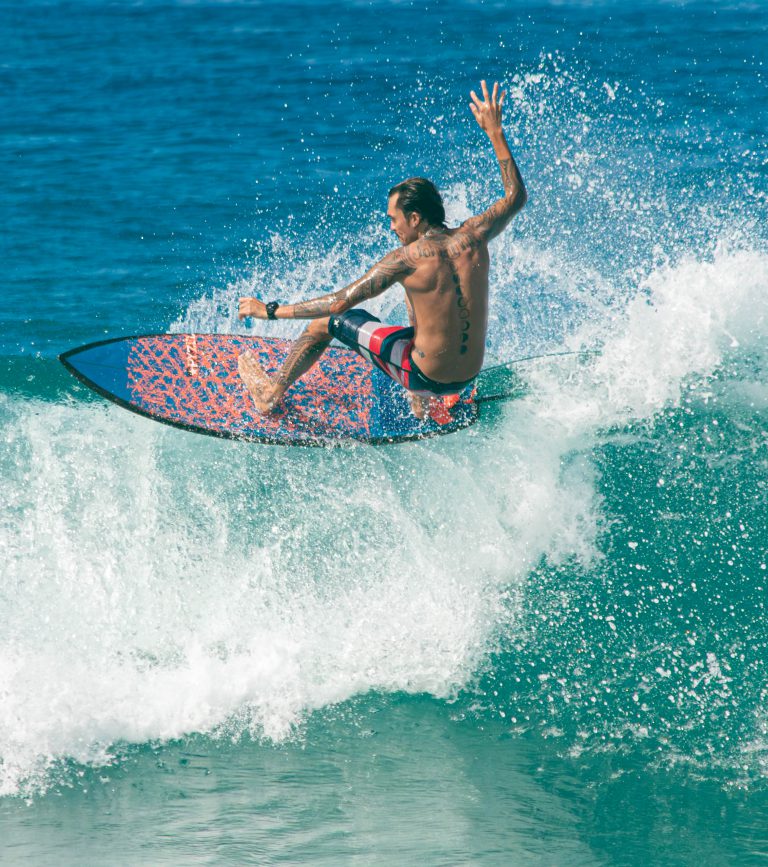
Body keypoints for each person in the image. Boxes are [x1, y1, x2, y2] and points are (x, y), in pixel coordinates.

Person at [237, 79, 527, 417]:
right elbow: (515, 196)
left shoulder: (406, 259)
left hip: (423, 376)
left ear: (415, 218)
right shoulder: (475, 234)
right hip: (467, 376)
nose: (391, 227)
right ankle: (423, 404)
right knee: (418, 298)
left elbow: (338, 302)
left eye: (394, 219)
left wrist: (268, 311)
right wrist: (494, 131)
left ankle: (270, 394)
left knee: (326, 324)